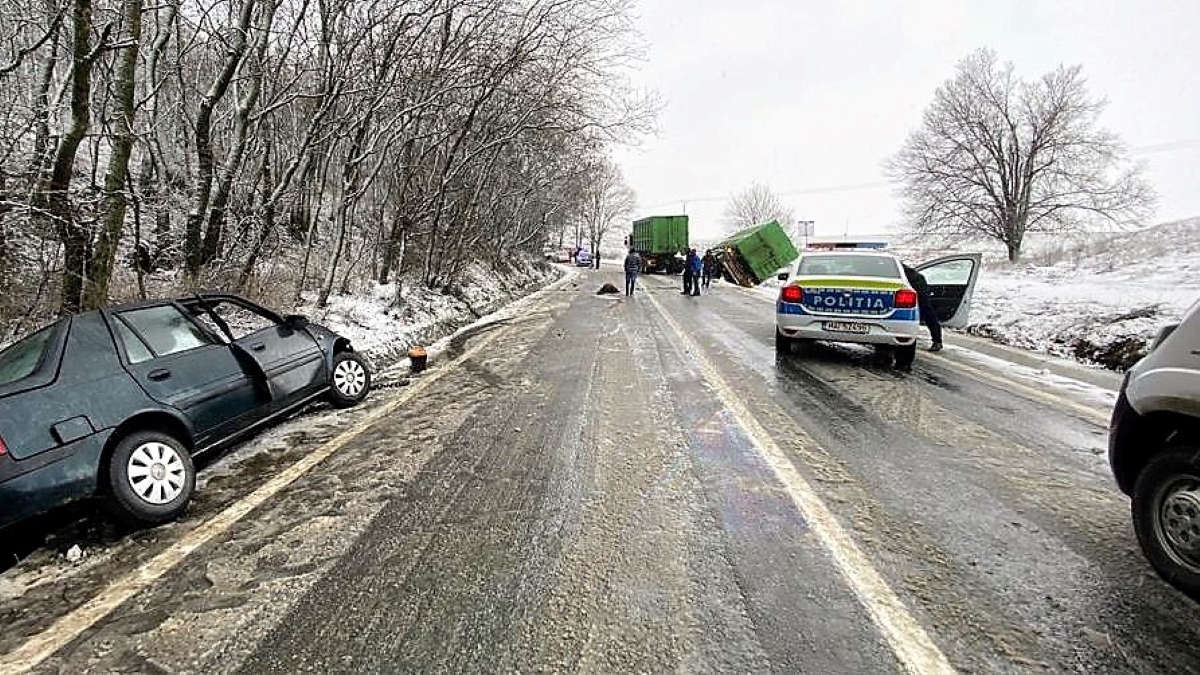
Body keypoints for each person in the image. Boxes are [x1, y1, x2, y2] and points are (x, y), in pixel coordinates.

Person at [902, 263, 943, 351]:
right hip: (912, 280)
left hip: (915, 281)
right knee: (926, 310)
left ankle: (937, 341)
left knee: (926, 310)